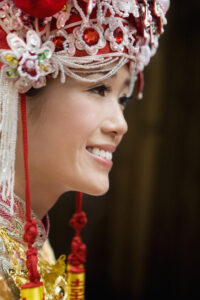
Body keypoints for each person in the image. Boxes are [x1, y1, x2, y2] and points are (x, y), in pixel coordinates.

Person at [0, 0, 170, 299]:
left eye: (123, 100)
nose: (121, 124)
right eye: (99, 88)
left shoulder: (36, 248)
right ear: (20, 91)